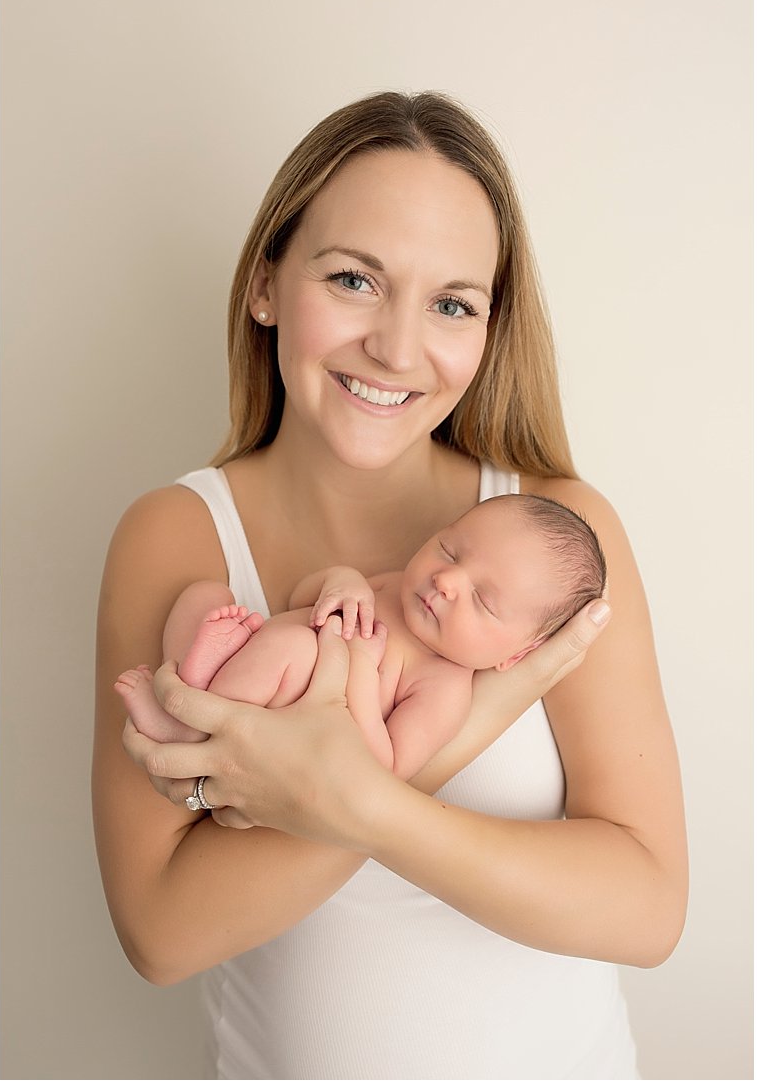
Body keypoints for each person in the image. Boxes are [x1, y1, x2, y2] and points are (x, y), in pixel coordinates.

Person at [93, 92, 686, 1078]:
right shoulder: (179, 532)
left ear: (488, 330)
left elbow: (647, 905)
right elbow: (162, 930)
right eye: (355, 280)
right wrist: (477, 711)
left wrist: (353, 798)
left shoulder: (555, 539)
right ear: (265, 283)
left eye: (451, 302)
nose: (398, 348)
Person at [115, 493, 606, 779]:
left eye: (483, 600)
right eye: (449, 552)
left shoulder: (444, 687)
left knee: (295, 647)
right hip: (256, 656)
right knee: (204, 594)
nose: (447, 580)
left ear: (514, 656)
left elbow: (385, 767)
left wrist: (359, 680)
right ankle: (186, 689)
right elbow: (298, 601)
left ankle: (192, 729)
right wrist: (341, 581)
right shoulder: (396, 585)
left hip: (283, 719)